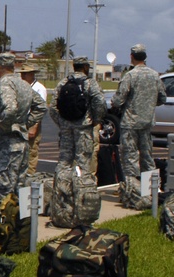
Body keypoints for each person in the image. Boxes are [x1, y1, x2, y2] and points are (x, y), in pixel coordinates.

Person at [111, 43, 167, 210]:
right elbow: (162, 98)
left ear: (132, 57)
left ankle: (133, 196)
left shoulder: (130, 76)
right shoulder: (154, 75)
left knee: (130, 159)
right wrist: (149, 105)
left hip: (131, 123)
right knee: (148, 158)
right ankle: (151, 194)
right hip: (147, 122)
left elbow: (118, 100)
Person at [0, 53, 46, 204]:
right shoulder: (23, 84)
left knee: (2, 189)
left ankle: (2, 224)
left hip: (6, 144)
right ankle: (20, 224)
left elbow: (10, 108)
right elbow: (41, 106)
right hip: (21, 143)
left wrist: (5, 126)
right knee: (20, 186)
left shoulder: (6, 83)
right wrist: (25, 124)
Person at [49, 57, 107, 173]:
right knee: (83, 160)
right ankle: (80, 188)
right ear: (85, 67)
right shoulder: (90, 83)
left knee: (64, 161)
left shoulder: (63, 82)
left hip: (66, 128)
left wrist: (62, 122)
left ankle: (62, 187)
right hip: (83, 127)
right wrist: (96, 120)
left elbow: (52, 107)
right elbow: (100, 102)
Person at [19, 64, 47, 175]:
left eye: (25, 74)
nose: (23, 76)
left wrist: (34, 127)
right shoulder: (21, 86)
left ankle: (30, 175)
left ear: (31, 74)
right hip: (21, 122)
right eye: (22, 74)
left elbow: (40, 110)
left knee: (31, 151)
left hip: (32, 123)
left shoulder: (39, 88)